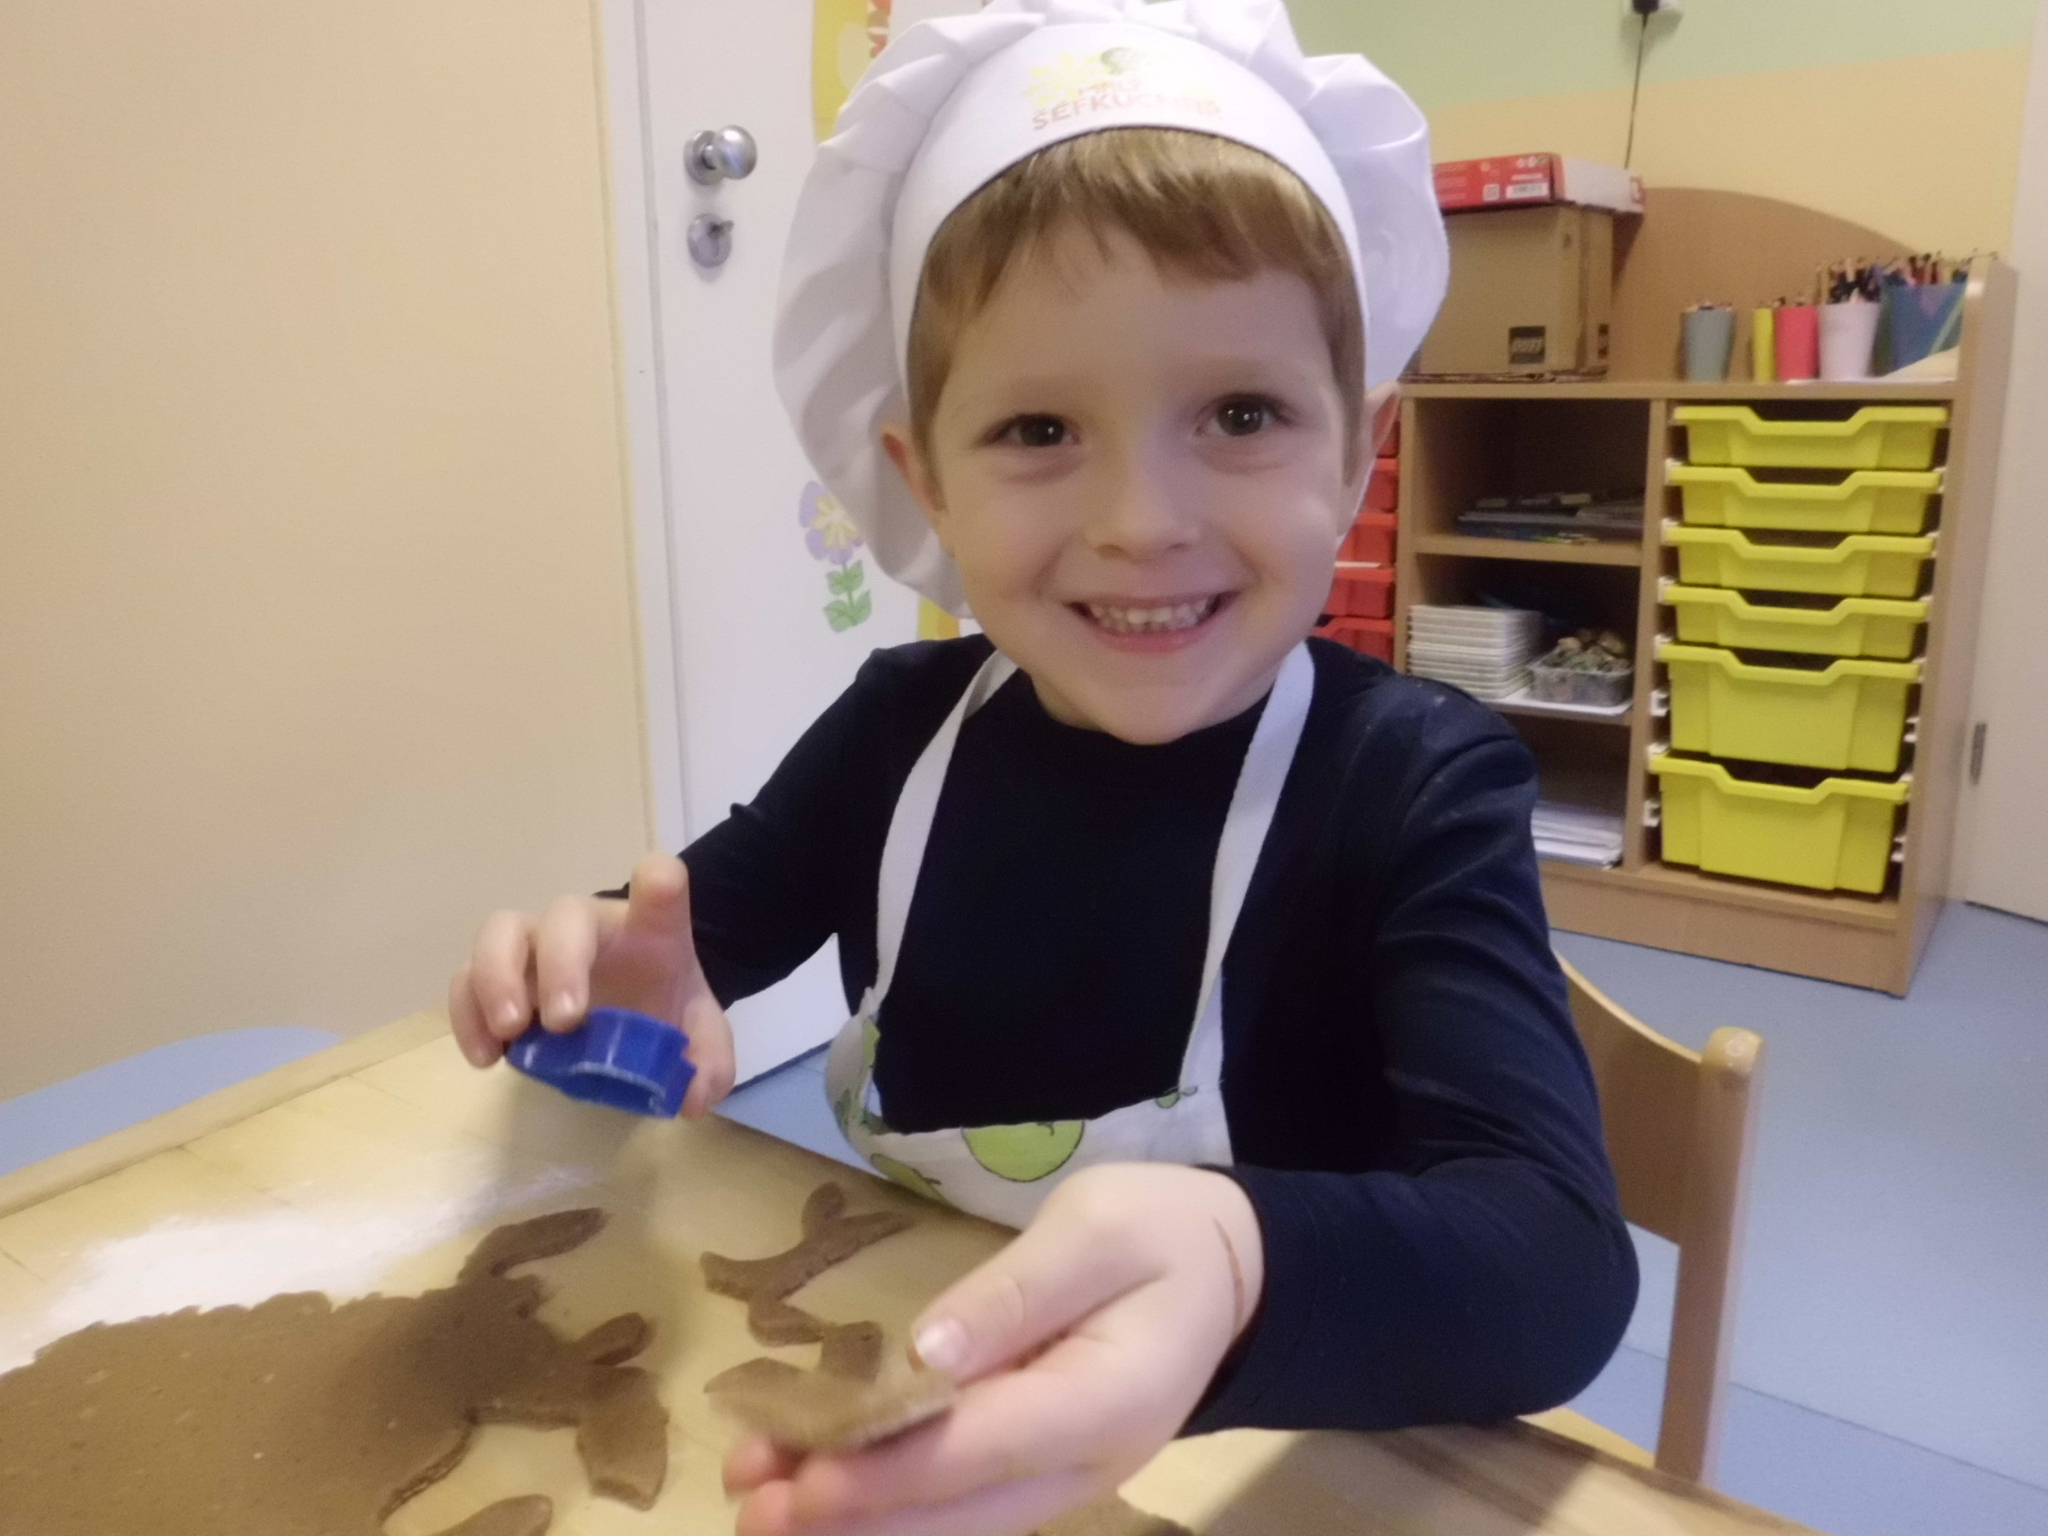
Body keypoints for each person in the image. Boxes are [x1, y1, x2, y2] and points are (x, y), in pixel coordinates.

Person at [449, 3, 1637, 1533]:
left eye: (1242, 413)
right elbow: (687, 946)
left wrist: (1234, 1260)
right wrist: (594, 987)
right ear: (926, 480)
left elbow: (1556, 1265)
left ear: (1357, 448)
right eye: (1036, 427)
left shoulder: (1415, 790)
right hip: (923, 1418)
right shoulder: (897, 733)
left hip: (1273, 1469)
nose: (1142, 522)